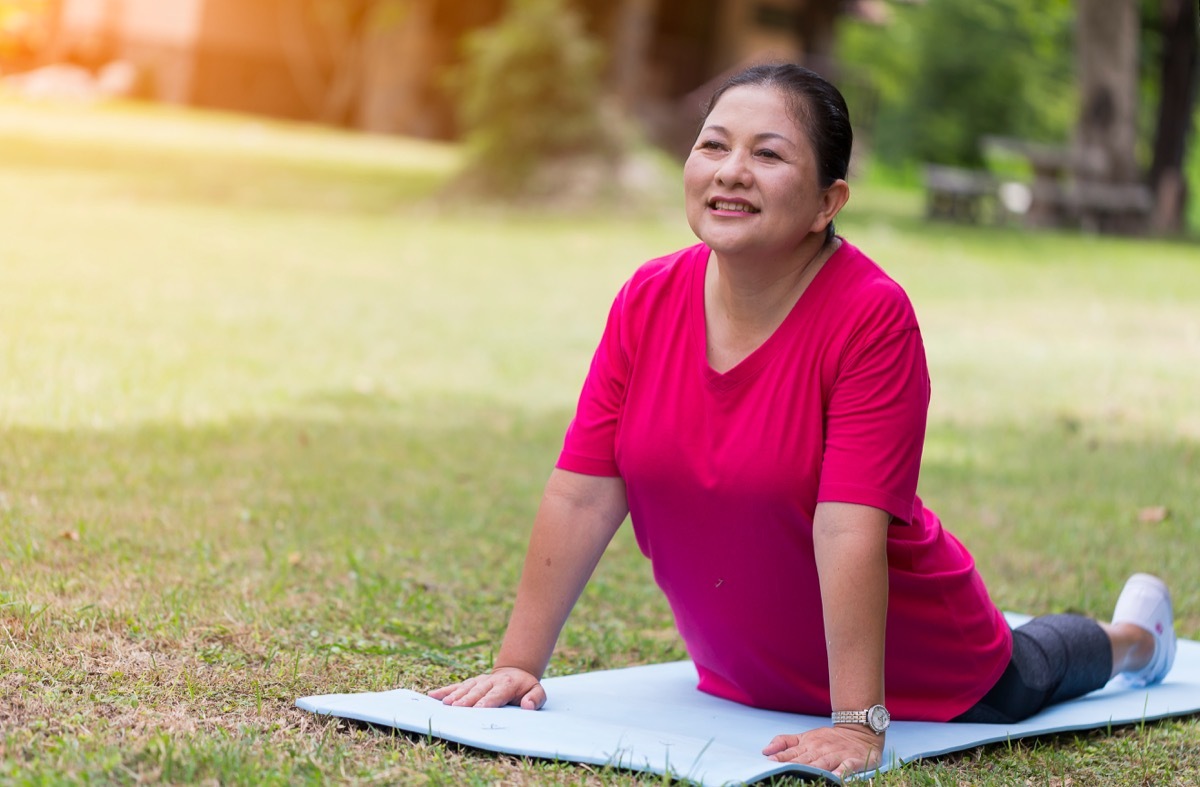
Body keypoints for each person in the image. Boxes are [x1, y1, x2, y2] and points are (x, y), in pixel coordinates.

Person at [428, 63, 1177, 778]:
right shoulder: (646, 298)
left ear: (828, 202)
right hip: (747, 675)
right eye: (713, 145)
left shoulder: (871, 317)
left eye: (769, 154)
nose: (730, 170)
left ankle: (1136, 638)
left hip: (926, 659)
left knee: (1027, 673)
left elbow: (847, 525)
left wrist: (858, 717)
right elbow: (584, 492)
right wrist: (518, 662)